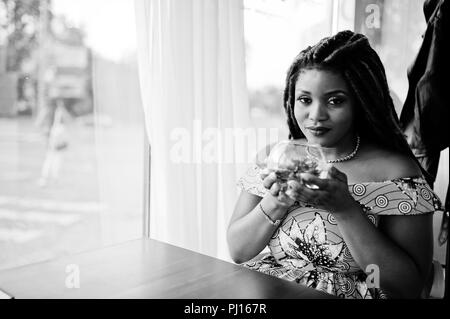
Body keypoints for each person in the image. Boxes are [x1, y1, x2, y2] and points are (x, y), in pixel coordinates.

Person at [227, 30, 442, 299]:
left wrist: (344, 208)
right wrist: (277, 200)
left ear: (361, 102)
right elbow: (238, 251)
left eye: (335, 100)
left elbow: (407, 288)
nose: (316, 115)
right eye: (305, 100)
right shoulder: (276, 157)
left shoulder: (396, 174)